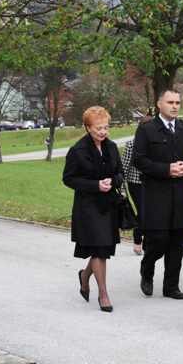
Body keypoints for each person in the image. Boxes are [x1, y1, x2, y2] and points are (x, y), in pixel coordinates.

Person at [133, 90, 183, 300]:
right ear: (159, 104)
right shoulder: (147, 130)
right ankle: (147, 269)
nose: (175, 106)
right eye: (170, 102)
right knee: (158, 240)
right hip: (156, 195)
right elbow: (139, 160)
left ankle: (171, 286)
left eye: (178, 102)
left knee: (178, 243)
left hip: (181, 195)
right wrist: (166, 169)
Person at [62, 106, 123, 312]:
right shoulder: (77, 151)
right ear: (88, 128)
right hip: (88, 207)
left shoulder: (112, 147)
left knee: (104, 248)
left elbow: (120, 174)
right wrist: (95, 185)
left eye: (106, 127)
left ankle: (85, 275)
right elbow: (68, 179)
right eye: (98, 128)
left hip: (108, 206)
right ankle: (103, 294)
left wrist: (111, 181)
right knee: (99, 249)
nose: (103, 132)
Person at [121, 115, 153, 255]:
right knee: (143, 211)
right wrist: (122, 189)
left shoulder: (156, 144)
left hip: (153, 183)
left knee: (151, 212)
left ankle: (147, 240)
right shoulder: (131, 145)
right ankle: (138, 239)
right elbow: (123, 168)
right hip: (136, 183)